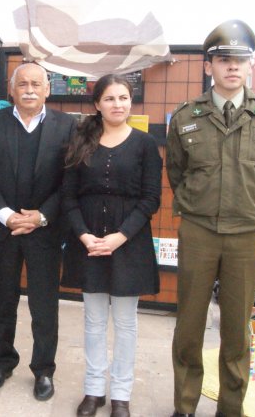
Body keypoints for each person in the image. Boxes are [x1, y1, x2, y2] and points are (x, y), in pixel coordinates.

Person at [166, 20, 255, 417]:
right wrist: (197, 205)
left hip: (247, 236)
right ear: (209, 66)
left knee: (237, 329)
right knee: (189, 325)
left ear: (250, 65)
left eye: (240, 59)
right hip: (199, 230)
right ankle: (185, 406)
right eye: (223, 59)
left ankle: (231, 408)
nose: (232, 67)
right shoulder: (186, 117)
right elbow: (176, 172)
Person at [0, 62, 76, 401]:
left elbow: (70, 181)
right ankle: (3, 361)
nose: (30, 89)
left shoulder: (66, 125)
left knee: (44, 305)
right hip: (5, 229)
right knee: (3, 299)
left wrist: (41, 216)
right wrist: (5, 215)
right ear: (12, 89)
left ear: (48, 89)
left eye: (36, 84)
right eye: (23, 84)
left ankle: (44, 369)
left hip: (44, 231)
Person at [61, 75, 162, 417]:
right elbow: (68, 195)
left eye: (123, 98)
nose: (117, 104)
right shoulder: (81, 141)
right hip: (87, 241)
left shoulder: (146, 144)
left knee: (125, 322)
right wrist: (83, 235)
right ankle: (93, 390)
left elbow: (151, 199)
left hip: (128, 243)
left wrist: (120, 236)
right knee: (92, 321)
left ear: (131, 102)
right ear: (97, 104)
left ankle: (120, 394)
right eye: (109, 98)